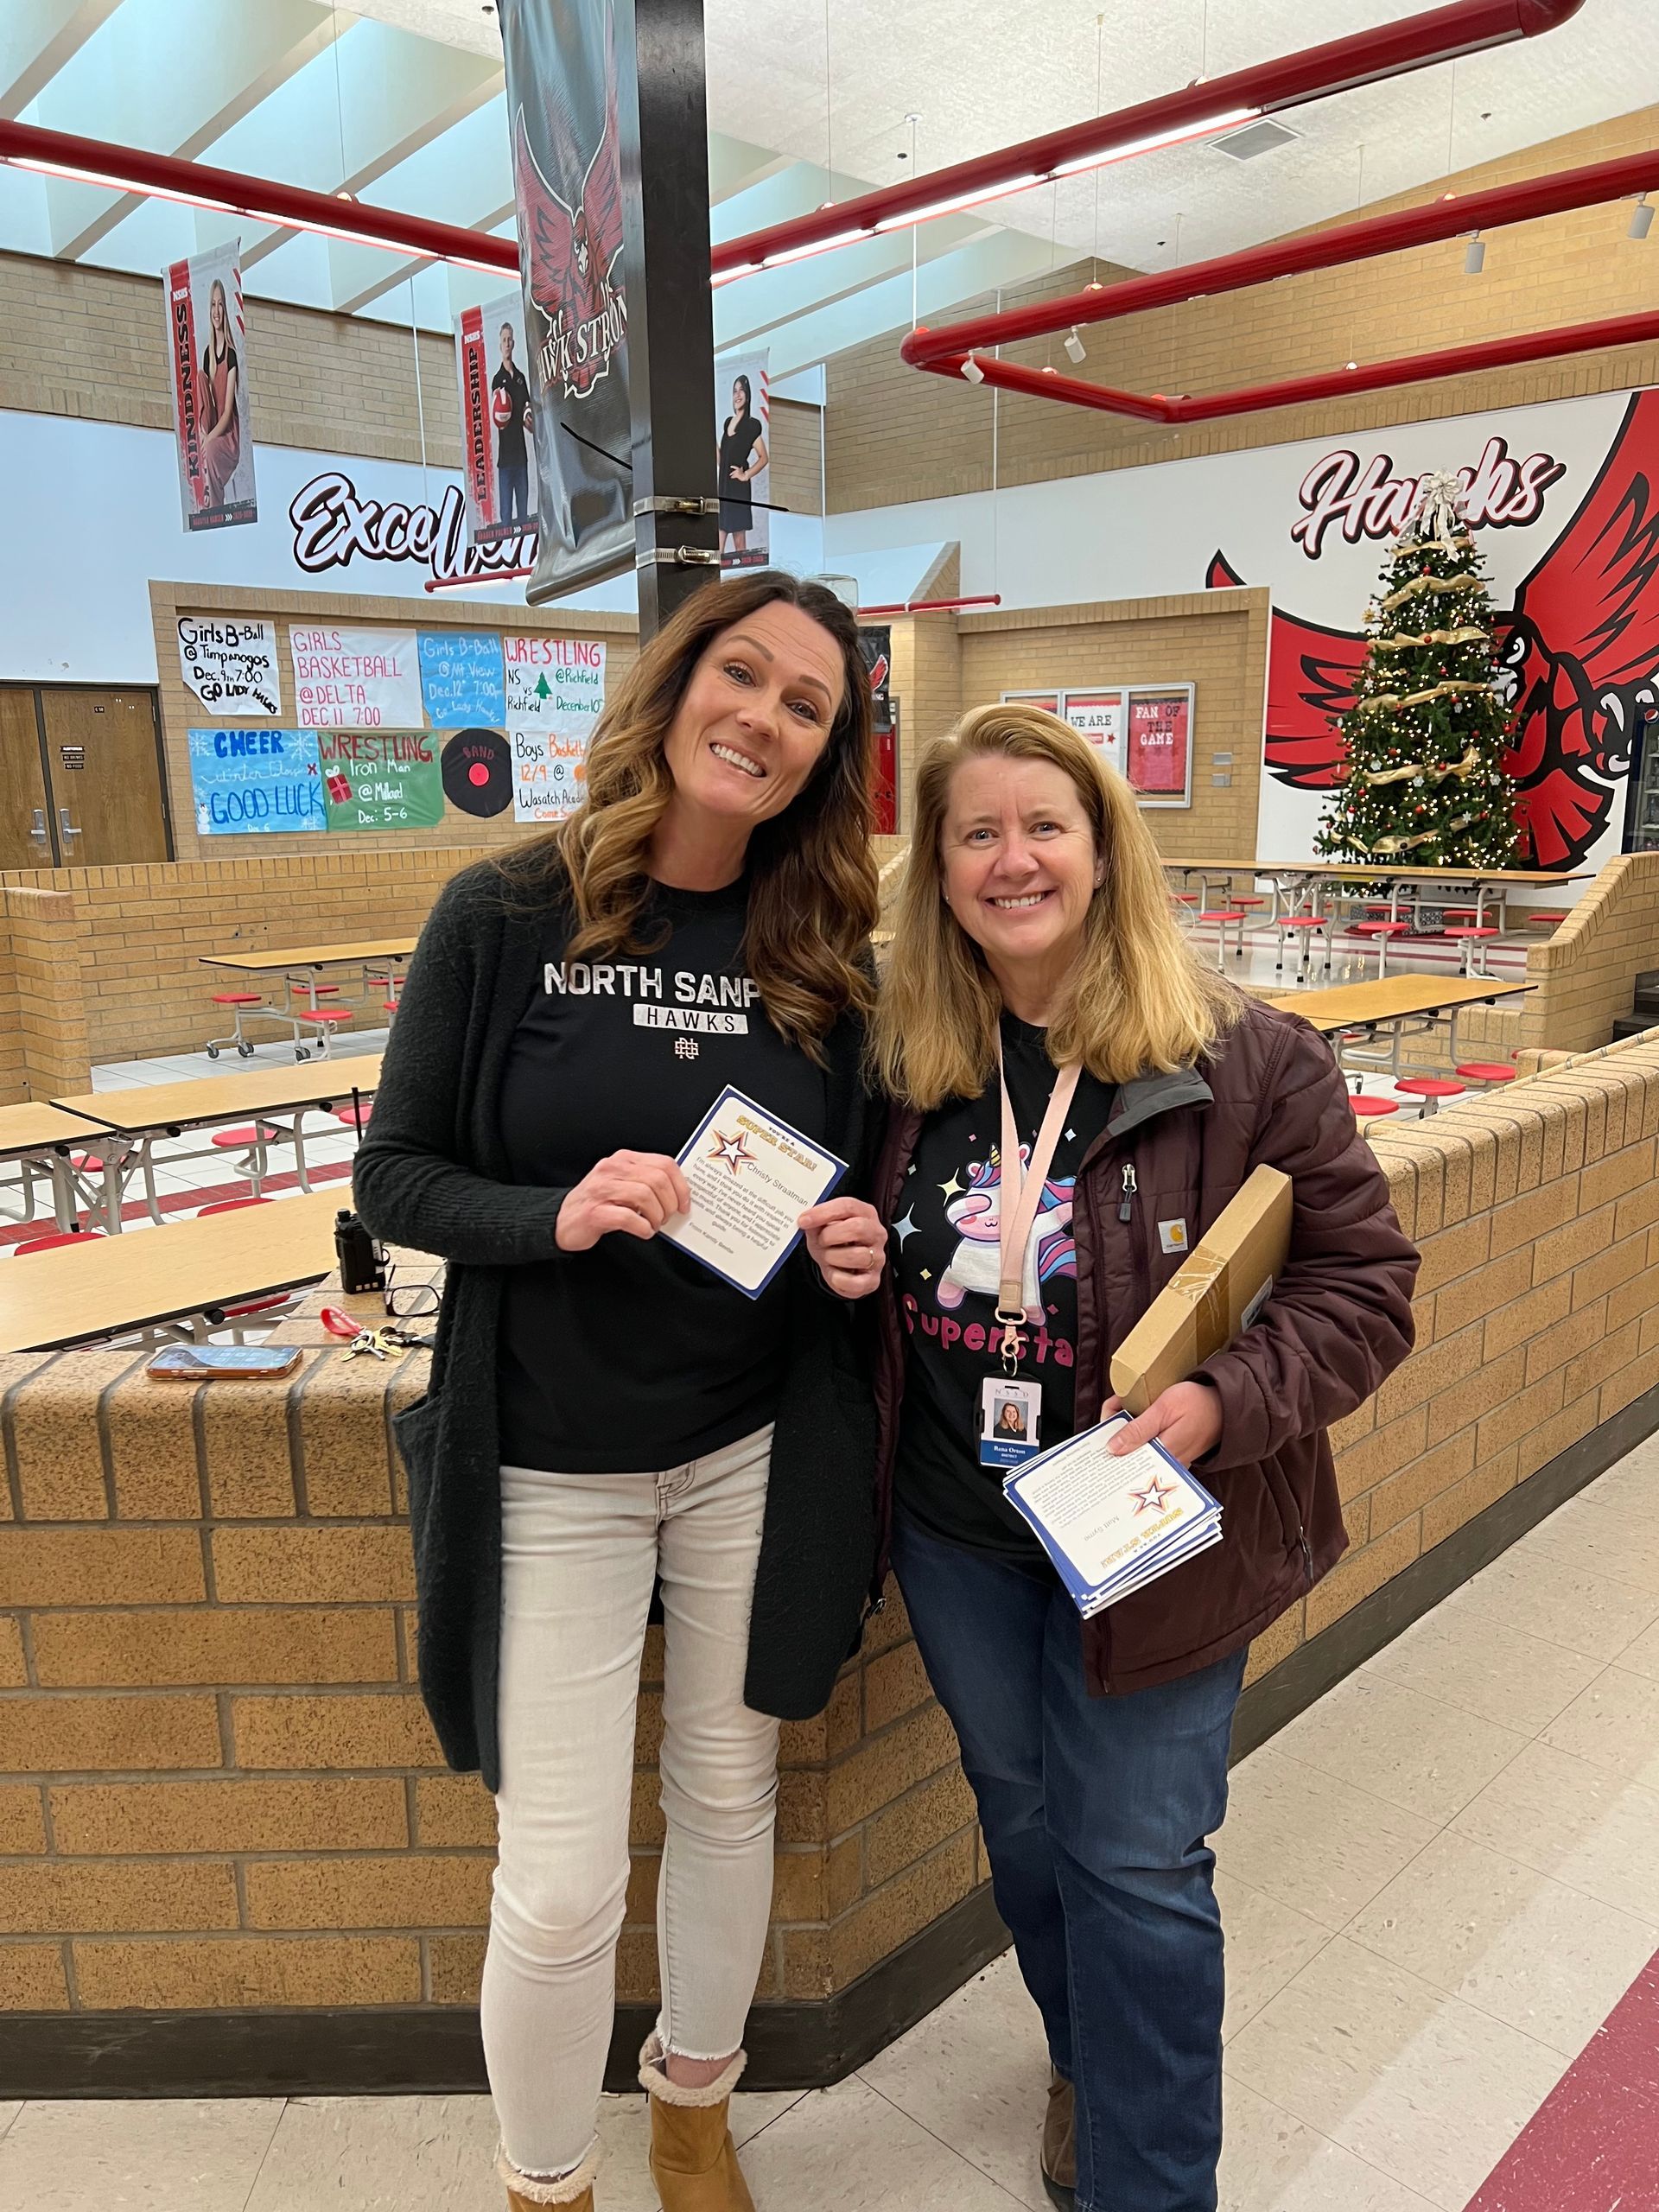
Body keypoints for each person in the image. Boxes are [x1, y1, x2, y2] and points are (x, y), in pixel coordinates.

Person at [354, 571, 889, 2212]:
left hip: (744, 1448)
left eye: (810, 706)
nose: (768, 718)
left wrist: (852, 1240)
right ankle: (547, 2182)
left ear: (826, 755)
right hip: (550, 1470)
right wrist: (553, 1213)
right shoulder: (506, 913)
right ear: (674, 687)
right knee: (562, 1880)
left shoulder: (825, 950)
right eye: (744, 674)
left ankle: (692, 2109)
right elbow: (394, 1177)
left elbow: (843, 1190)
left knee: (732, 1803)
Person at [868, 703, 1420, 2212]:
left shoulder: (1245, 1061)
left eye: (1045, 825)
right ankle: (1081, 2055)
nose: (1011, 858)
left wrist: (1222, 1403)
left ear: (1105, 852)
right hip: (958, 1526)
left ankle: (1152, 2189)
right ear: (940, 872)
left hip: (1157, 1525)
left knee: (1139, 1864)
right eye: (975, 832)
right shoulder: (908, 1057)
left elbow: (1367, 1290)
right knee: (1025, 1822)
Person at [198, 276, 241, 510]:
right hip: (212, 422)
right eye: (213, 305)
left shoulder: (231, 355)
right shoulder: (208, 355)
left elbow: (226, 413)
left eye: (220, 304)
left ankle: (215, 506)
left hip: (227, 431)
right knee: (198, 377)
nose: (217, 310)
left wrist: (210, 438)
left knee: (212, 450)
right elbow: (207, 403)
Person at [717, 375, 767, 563]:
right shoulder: (727, 422)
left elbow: (764, 457)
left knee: (739, 542)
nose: (737, 395)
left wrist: (745, 474)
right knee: (719, 541)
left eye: (741, 390)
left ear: (747, 395)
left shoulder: (751, 426)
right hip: (723, 487)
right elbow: (722, 461)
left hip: (738, 489)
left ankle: (741, 580)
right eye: (734, 391)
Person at [492, 322, 534, 530]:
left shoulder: (520, 378)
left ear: (514, 343)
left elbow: (527, 408)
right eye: (504, 340)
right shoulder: (497, 380)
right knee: (506, 519)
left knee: (524, 516)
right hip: (505, 459)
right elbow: (497, 413)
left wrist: (529, 421)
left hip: (521, 456)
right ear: (500, 345)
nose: (507, 343)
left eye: (510, 339)